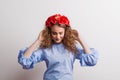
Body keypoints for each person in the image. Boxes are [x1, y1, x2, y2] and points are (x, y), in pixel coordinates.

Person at [18, 14, 98, 80]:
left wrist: (80, 38)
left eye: (60, 33)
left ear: (65, 32)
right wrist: (38, 40)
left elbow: (92, 61)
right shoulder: (45, 49)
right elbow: (25, 61)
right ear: (49, 33)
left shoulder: (71, 47)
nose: (58, 37)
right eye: (54, 33)